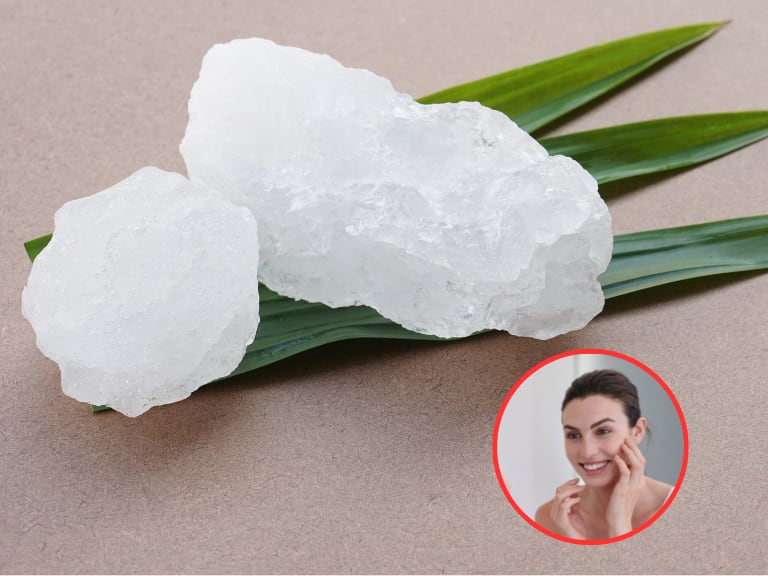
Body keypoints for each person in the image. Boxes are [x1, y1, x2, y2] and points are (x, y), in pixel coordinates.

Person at [534, 369, 674, 540]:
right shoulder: (551, 518)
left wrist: (620, 526)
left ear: (637, 431)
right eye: (573, 435)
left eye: (603, 431)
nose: (587, 452)